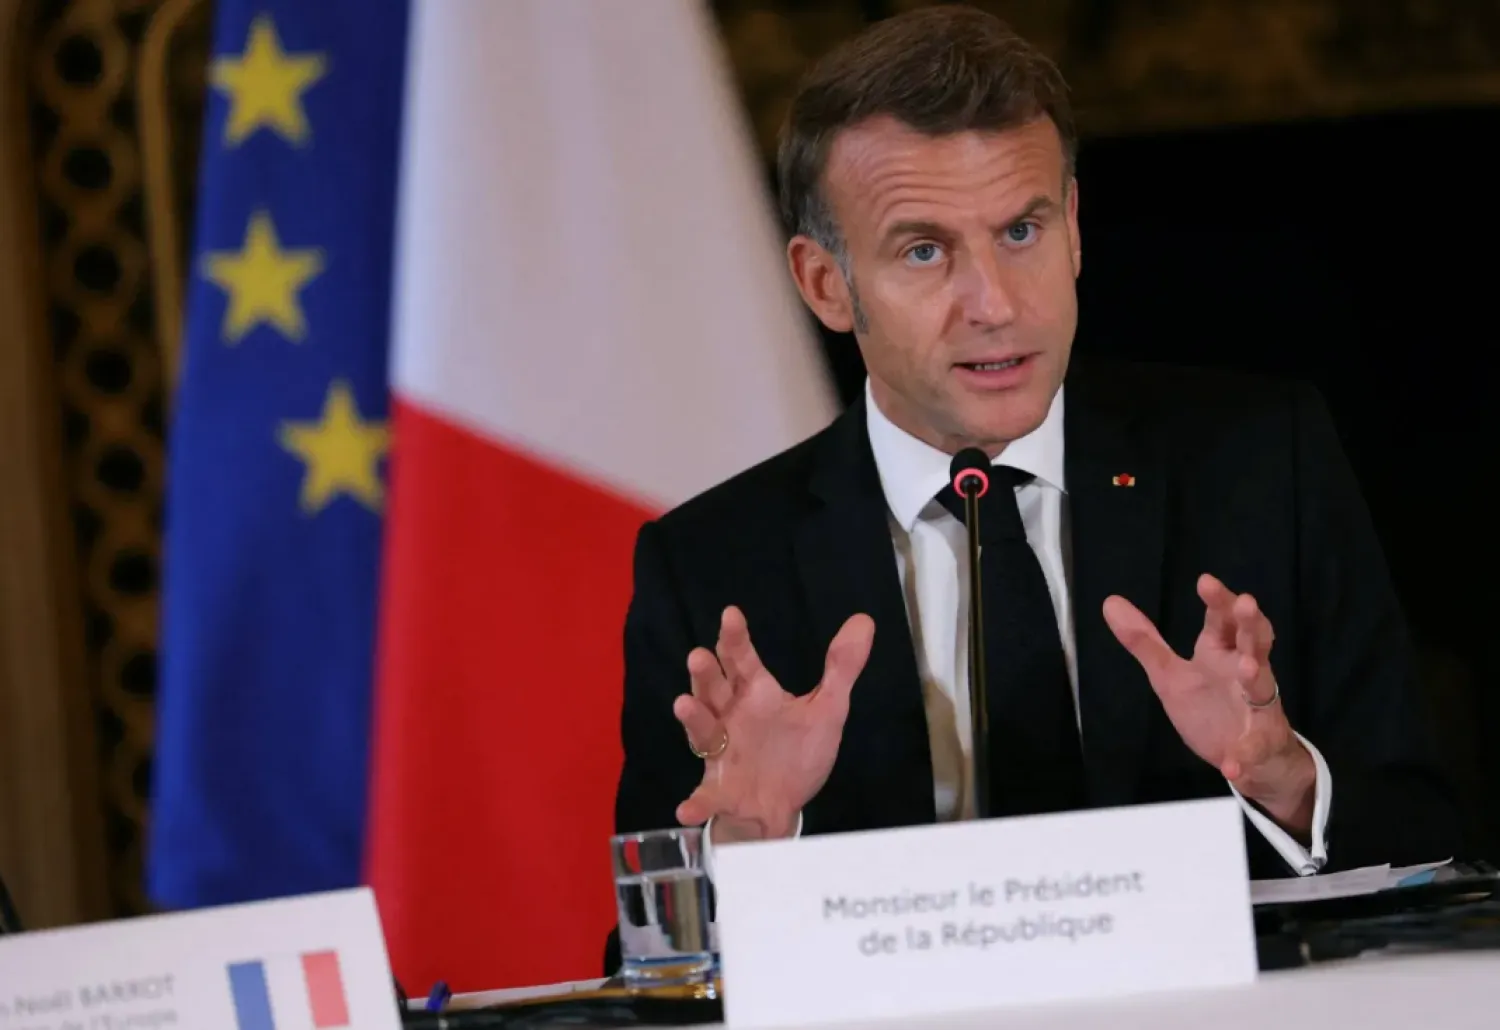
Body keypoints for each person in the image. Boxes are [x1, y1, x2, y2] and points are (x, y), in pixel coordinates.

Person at [613, 5, 1460, 881]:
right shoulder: (715, 567)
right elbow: (643, 972)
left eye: (1022, 231)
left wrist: (1285, 780)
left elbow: (1430, 844)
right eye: (924, 251)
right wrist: (747, 847)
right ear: (826, 285)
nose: (995, 304)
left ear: (1076, 227)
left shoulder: (1259, 464)